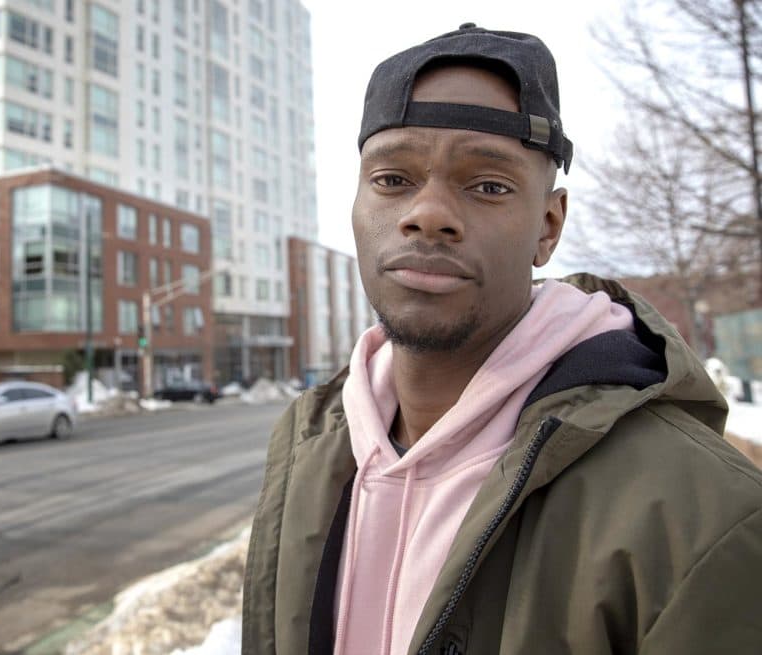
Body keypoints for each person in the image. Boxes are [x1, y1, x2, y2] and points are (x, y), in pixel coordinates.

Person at [242, 23, 762, 655]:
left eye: (488, 185)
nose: (426, 212)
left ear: (549, 226)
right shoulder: (309, 446)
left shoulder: (703, 515)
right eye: (392, 179)